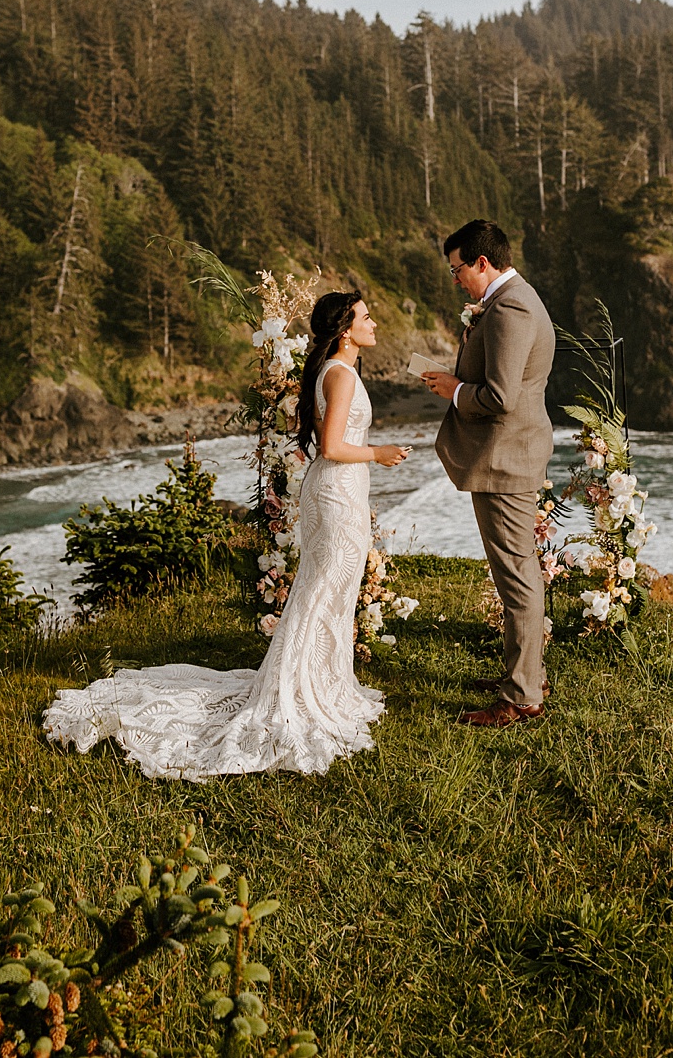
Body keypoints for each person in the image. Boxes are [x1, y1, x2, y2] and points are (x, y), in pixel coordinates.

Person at [43, 292, 410, 779]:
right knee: (325, 591)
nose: (375, 322)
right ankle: (303, 689)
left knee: (328, 591)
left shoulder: (333, 371)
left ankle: (321, 680)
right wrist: (379, 452)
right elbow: (333, 445)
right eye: (367, 316)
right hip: (338, 493)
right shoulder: (340, 374)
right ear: (346, 330)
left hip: (337, 493)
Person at [420, 220, 557, 728]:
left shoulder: (513, 308)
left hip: (506, 458)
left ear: (483, 263)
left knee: (517, 578)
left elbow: (500, 398)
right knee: (514, 574)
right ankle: (523, 674)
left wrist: (454, 389)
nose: (456, 280)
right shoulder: (505, 304)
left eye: (458, 270)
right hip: (508, 455)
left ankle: (522, 696)